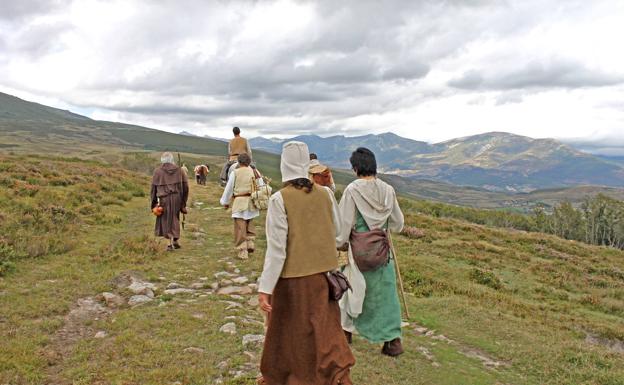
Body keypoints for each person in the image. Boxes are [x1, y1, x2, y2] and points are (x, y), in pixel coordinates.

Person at [257, 141, 355, 385]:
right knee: (323, 331)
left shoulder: (280, 199)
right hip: (324, 277)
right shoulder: (326, 194)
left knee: (291, 334)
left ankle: (294, 377)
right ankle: (331, 376)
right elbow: (339, 231)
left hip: (293, 281)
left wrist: (265, 288)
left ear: (284, 165)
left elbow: (277, 251)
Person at [337, 147, 405, 357]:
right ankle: (393, 342)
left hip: (358, 251)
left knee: (352, 290)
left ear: (356, 168)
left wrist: (339, 243)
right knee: (386, 296)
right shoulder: (388, 190)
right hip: (382, 251)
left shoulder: (352, 190)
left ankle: (345, 333)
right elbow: (398, 223)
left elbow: (344, 224)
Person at [220, 153, 259, 259]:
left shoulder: (235, 173)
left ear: (239, 162)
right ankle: (250, 243)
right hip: (252, 201)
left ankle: (243, 250)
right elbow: (260, 184)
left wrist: (225, 202)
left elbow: (229, 189)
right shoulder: (254, 171)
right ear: (249, 162)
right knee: (249, 223)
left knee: (240, 226)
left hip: (239, 202)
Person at [151, 152, 189, 251]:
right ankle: (175, 240)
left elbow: (153, 189)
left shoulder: (157, 171)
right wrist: (183, 203)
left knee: (166, 220)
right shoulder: (180, 170)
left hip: (164, 199)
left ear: (162, 160)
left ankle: (169, 244)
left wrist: (153, 203)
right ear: (172, 160)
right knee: (175, 218)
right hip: (177, 198)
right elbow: (186, 187)